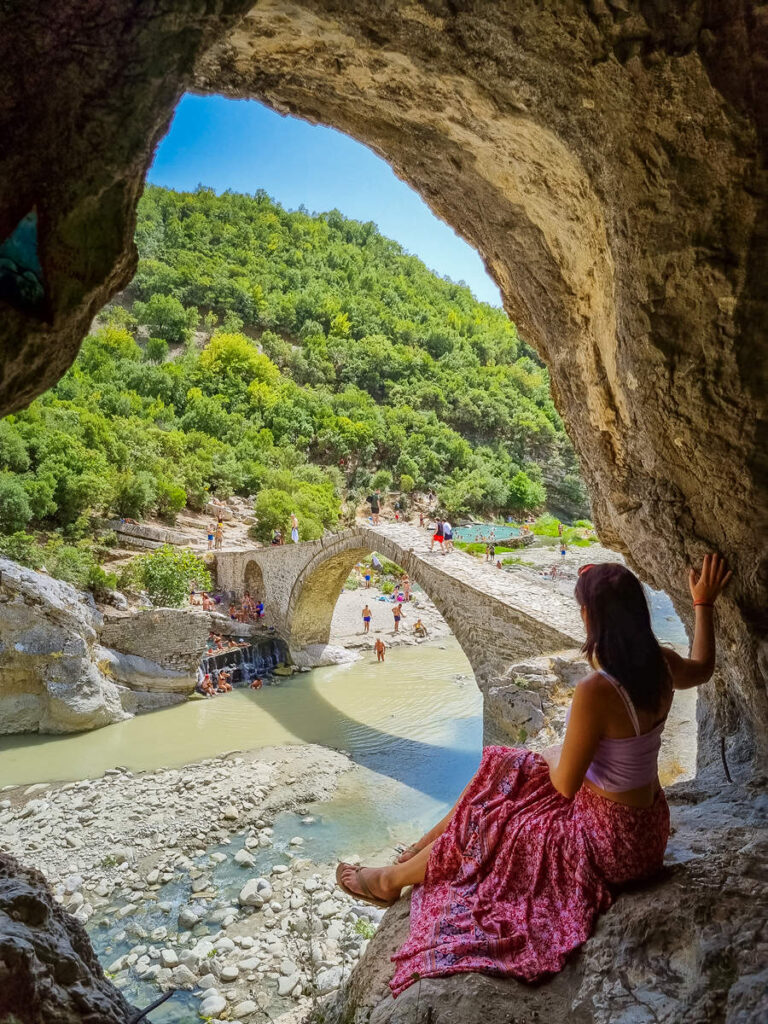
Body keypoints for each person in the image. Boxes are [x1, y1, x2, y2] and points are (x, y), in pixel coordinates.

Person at [335, 554, 732, 997]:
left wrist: (547, 756)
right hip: (648, 831)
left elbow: (564, 783)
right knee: (504, 766)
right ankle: (410, 857)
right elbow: (704, 667)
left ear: (589, 616)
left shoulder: (598, 690)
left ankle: (393, 878)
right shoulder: (661, 663)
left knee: (494, 817)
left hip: (609, 844)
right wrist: (704, 603)